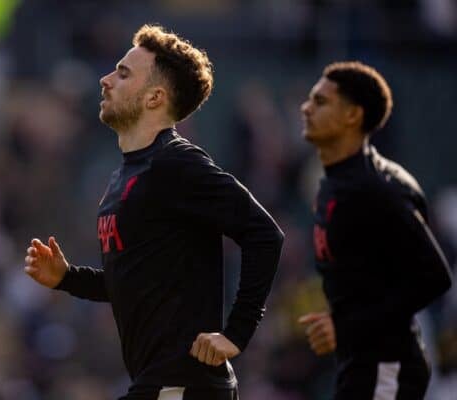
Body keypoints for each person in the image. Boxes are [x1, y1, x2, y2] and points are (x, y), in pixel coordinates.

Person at [23, 25, 284, 400]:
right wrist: (68, 279)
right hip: (159, 384)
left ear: (155, 97)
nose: (106, 79)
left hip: (182, 385)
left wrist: (236, 334)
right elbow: (135, 282)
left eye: (123, 73)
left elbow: (264, 234)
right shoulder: (126, 174)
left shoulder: (175, 163)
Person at [298, 61, 452, 399]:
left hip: (388, 365)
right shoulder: (332, 183)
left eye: (321, 102)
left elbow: (434, 277)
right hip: (358, 364)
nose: (306, 108)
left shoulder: (377, 188)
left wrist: (345, 326)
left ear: (353, 115)